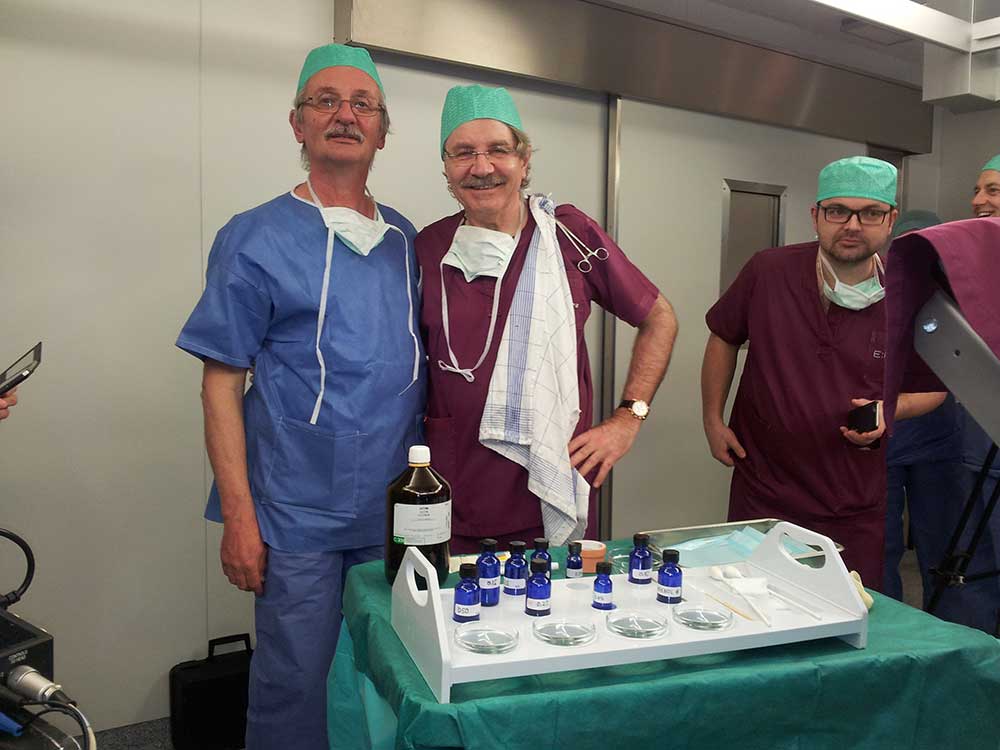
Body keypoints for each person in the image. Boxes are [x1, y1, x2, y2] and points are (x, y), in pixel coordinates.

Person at [176, 44, 424, 749]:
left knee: (392, 675)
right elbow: (221, 383)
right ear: (298, 123)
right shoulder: (254, 237)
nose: (345, 115)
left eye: (363, 105)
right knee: (296, 683)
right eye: (326, 101)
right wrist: (239, 517)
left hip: (394, 509)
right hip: (295, 513)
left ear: (382, 131)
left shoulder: (405, 240)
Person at [416, 85, 677, 552]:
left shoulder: (568, 236)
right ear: (446, 168)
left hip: (554, 481)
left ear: (524, 160)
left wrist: (628, 418)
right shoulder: (427, 248)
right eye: (463, 153)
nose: (482, 167)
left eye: (499, 150)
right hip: (454, 488)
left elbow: (659, 318)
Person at [701, 156, 945, 588]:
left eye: (870, 213)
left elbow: (934, 387)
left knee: (850, 606)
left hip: (851, 498)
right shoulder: (769, 271)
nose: (852, 225)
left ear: (891, 220)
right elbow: (724, 336)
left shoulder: (910, 295)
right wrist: (712, 419)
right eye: (837, 211)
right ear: (815, 216)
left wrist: (889, 410)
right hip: (765, 489)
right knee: (756, 603)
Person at [880, 210, 965, 606]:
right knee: (882, 544)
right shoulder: (877, 292)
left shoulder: (955, 293)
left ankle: (945, 626)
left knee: (942, 544)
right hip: (888, 433)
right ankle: (886, 624)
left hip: (939, 437)